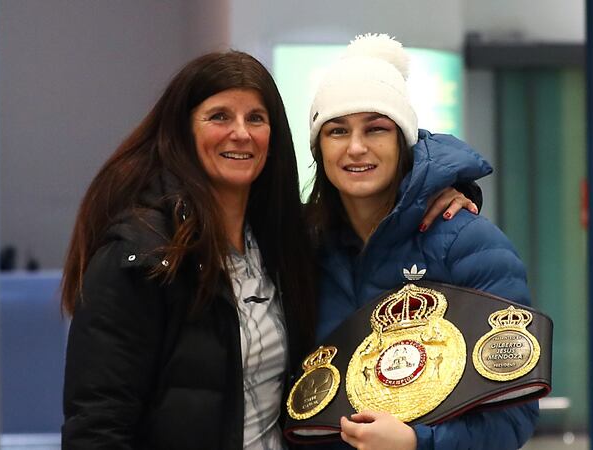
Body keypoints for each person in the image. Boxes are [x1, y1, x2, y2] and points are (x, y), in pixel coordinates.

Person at [60, 49, 478, 450]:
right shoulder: (143, 257)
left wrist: (443, 190)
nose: (240, 132)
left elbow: (378, 209)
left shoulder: (290, 242)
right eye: (219, 116)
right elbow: (97, 426)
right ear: (182, 131)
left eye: (255, 118)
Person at [305, 34, 538, 450]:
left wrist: (419, 443)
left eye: (375, 128)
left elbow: (514, 413)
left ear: (403, 141)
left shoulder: (468, 241)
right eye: (337, 130)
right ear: (319, 148)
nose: (356, 148)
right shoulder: (304, 249)